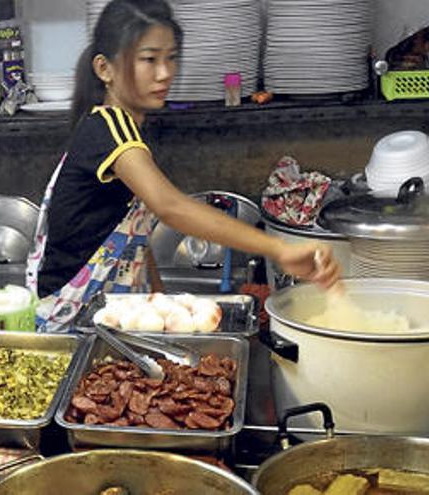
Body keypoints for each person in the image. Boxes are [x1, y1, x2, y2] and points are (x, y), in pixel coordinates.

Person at [25, 0, 341, 332]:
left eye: (171, 58)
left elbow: (133, 235)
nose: (164, 73)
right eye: (148, 59)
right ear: (105, 69)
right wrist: (279, 248)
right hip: (70, 320)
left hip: (103, 317)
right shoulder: (109, 129)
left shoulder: (122, 130)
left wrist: (159, 298)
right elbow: (170, 207)